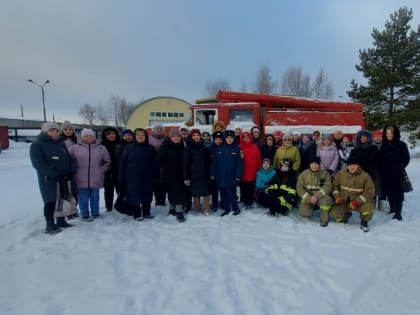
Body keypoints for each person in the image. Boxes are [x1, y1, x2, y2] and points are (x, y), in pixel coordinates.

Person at [30, 122, 77, 234]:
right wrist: (54, 174)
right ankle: (50, 224)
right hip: (49, 179)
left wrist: (71, 170)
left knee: (62, 198)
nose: (55, 132)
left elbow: (69, 158)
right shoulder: (37, 145)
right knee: (50, 201)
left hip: (63, 177)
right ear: (45, 132)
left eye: (56, 130)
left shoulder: (60, 143)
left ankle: (61, 220)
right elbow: (38, 164)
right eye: (52, 130)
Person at [69, 128, 111, 221]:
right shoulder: (74, 148)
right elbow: (69, 161)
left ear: (94, 137)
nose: (88, 137)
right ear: (82, 137)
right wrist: (74, 171)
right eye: (86, 136)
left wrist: (101, 170)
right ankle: (85, 215)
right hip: (80, 177)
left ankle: (95, 213)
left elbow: (107, 161)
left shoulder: (101, 148)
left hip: (96, 177)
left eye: (91, 136)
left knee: (95, 197)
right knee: (83, 198)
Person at [330, 155, 375, 232]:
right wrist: (337, 197)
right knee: (333, 213)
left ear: (358, 165)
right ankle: (345, 216)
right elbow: (335, 186)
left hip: (359, 202)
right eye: (350, 165)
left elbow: (370, 192)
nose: (352, 167)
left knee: (368, 209)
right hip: (344, 201)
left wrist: (357, 201)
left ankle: (364, 222)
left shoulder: (365, 176)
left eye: (354, 165)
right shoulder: (341, 173)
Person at [119, 128, 156, 221]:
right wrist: (121, 177)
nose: (140, 137)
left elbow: (155, 163)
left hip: (147, 176)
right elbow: (123, 163)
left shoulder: (150, 148)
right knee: (134, 195)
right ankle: (137, 213)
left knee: (147, 195)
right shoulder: (128, 148)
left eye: (142, 135)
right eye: (138, 135)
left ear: (146, 136)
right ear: (135, 137)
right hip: (132, 177)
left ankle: (146, 212)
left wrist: (156, 175)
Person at [378, 124, 410, 220]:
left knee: (398, 192)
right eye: (387, 133)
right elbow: (381, 158)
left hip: (397, 173)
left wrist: (400, 166)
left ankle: (398, 213)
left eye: (391, 133)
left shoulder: (401, 144)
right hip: (386, 173)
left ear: (395, 133)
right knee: (389, 192)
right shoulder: (384, 145)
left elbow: (406, 158)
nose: (389, 135)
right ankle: (392, 208)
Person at [210, 130, 243, 216]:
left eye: (231, 138)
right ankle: (226, 209)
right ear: (225, 138)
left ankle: (236, 209)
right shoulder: (219, 149)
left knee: (230, 193)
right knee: (222, 193)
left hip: (231, 176)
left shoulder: (237, 149)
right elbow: (214, 163)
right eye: (227, 138)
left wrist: (238, 176)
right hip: (220, 175)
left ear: (233, 138)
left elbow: (240, 164)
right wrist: (212, 174)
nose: (229, 139)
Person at [158, 129, 188, 222]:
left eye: (178, 136)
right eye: (174, 136)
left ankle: (178, 211)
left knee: (179, 193)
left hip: (181, 174)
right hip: (170, 174)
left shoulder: (183, 146)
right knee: (172, 192)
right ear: (170, 137)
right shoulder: (165, 146)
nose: (176, 138)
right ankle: (173, 208)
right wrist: (167, 167)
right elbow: (159, 160)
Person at [297, 156, 333, 226]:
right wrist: (309, 198)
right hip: (309, 197)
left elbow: (328, 187)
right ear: (309, 164)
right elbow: (299, 188)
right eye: (312, 164)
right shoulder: (304, 174)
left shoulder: (325, 174)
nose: (314, 166)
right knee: (303, 213)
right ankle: (311, 208)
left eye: (316, 164)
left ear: (319, 165)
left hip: (321, 197)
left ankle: (324, 220)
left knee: (325, 201)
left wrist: (316, 196)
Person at [183, 129, 212, 215]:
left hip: (204, 174)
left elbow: (209, 161)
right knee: (195, 193)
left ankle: (207, 209)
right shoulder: (187, 149)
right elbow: (185, 164)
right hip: (193, 175)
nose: (196, 137)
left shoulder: (204, 148)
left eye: (198, 135)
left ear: (200, 136)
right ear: (191, 137)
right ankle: (198, 209)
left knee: (206, 192)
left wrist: (210, 173)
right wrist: (186, 177)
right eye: (194, 135)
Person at [239, 131, 261, 208]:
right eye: (244, 138)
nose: (246, 139)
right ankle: (244, 199)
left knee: (251, 187)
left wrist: (258, 168)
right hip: (243, 171)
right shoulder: (239, 147)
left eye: (247, 137)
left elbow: (258, 158)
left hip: (252, 171)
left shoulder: (254, 147)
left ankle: (250, 200)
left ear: (250, 138)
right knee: (243, 187)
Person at [114, 129, 134, 215]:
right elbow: (118, 162)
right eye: (126, 135)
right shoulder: (120, 146)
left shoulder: (134, 145)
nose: (128, 137)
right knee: (125, 192)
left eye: (129, 135)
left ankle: (131, 207)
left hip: (132, 172)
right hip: (124, 173)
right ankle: (122, 206)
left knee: (131, 192)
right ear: (122, 136)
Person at [101, 127, 120, 212]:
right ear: (105, 136)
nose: (111, 136)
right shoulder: (101, 146)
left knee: (120, 189)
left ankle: (120, 204)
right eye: (109, 134)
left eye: (113, 134)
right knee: (108, 190)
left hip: (119, 171)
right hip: (107, 171)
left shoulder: (120, 144)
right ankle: (109, 207)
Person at [149, 124, 167, 206]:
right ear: (153, 131)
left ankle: (163, 199)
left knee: (163, 182)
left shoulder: (166, 139)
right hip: (153, 163)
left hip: (164, 163)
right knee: (155, 182)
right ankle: (157, 199)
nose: (159, 130)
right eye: (157, 129)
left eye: (161, 129)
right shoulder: (149, 139)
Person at [208, 131, 224, 211]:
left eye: (220, 139)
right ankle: (214, 204)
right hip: (213, 173)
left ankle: (223, 203)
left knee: (223, 189)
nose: (218, 141)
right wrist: (211, 173)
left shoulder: (225, 147)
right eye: (216, 139)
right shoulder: (210, 149)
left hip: (223, 173)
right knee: (214, 190)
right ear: (214, 139)